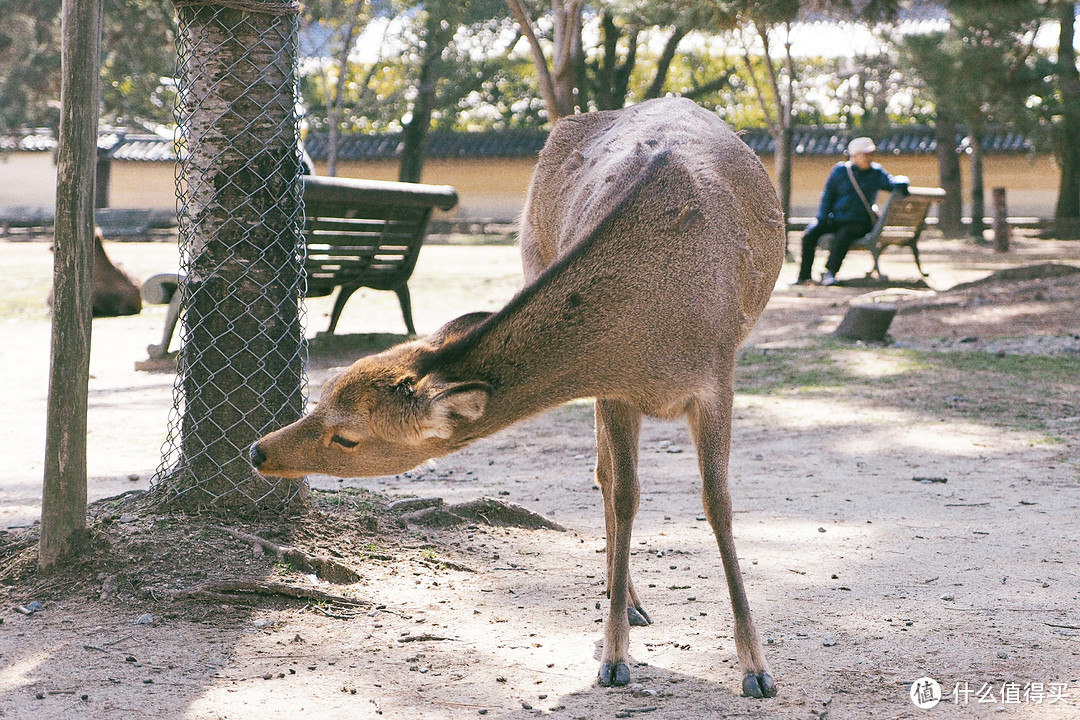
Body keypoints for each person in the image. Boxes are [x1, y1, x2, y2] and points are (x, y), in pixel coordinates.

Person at [793, 136, 907, 286]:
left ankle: (830, 273)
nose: (869, 158)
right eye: (865, 154)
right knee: (809, 234)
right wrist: (821, 219)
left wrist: (902, 181)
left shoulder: (876, 172)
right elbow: (828, 196)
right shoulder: (840, 171)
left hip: (860, 222)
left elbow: (892, 183)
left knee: (844, 235)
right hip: (837, 218)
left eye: (871, 154)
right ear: (854, 155)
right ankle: (804, 276)